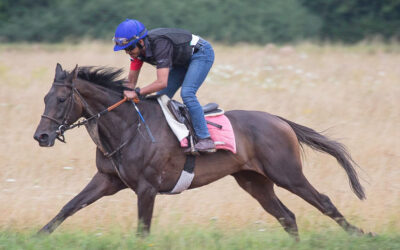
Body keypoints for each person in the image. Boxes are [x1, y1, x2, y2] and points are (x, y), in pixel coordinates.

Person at [113, 19, 216, 153]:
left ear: (141, 42)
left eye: (129, 47)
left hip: (200, 53)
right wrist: (120, 96)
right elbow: (131, 83)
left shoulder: (160, 43)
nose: (127, 52)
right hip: (181, 61)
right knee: (161, 99)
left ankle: (205, 139)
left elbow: (162, 82)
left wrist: (137, 93)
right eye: (124, 49)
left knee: (187, 93)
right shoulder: (136, 53)